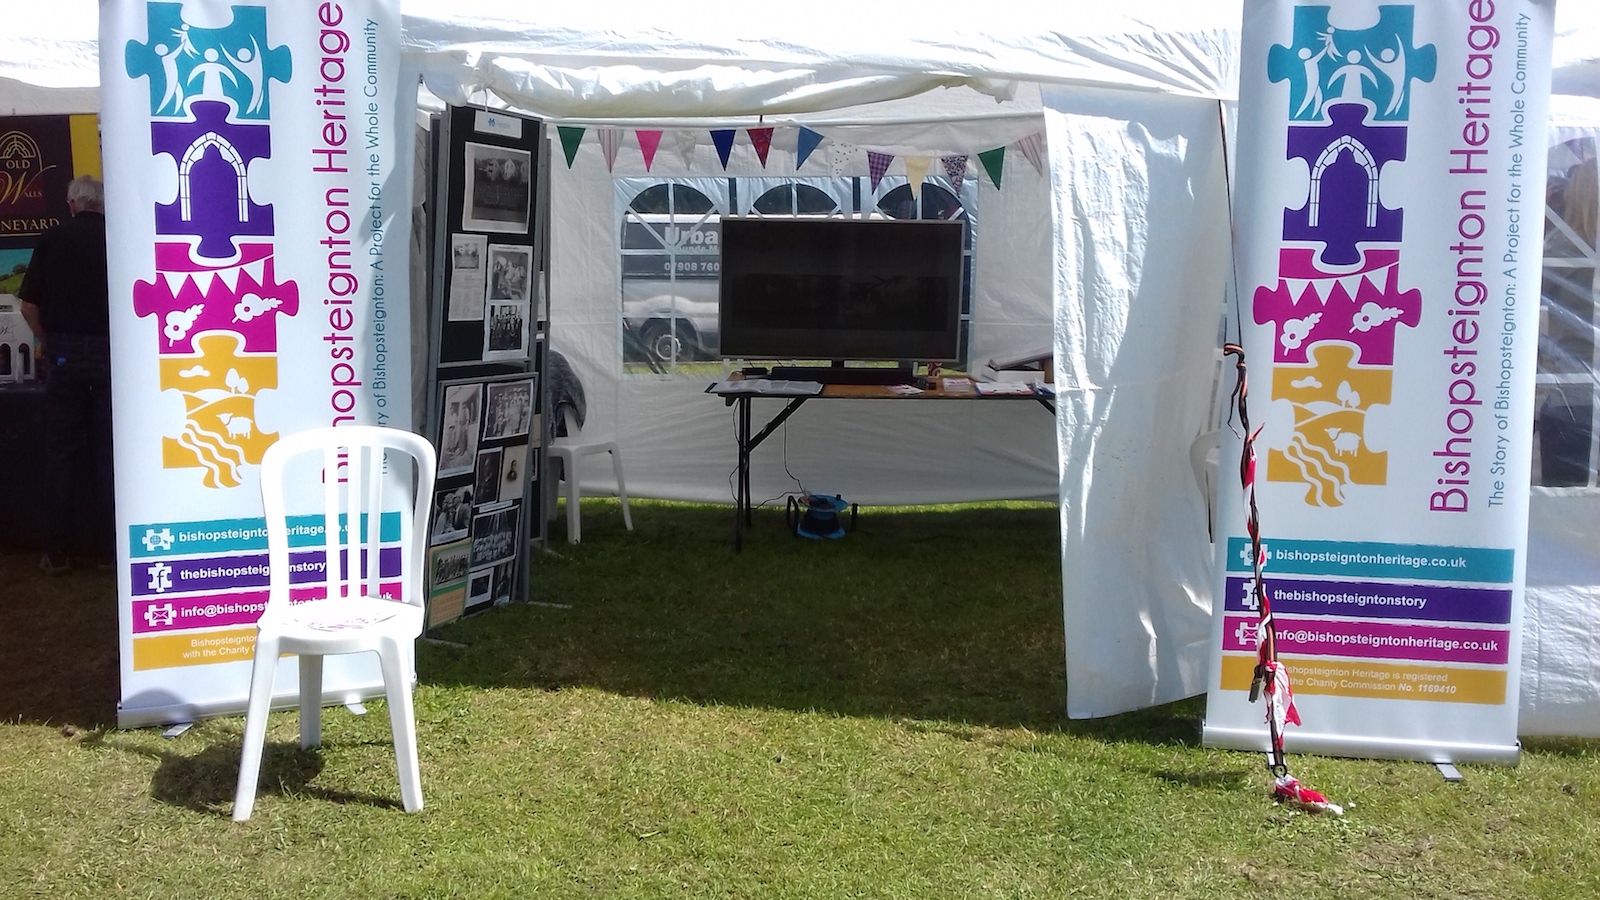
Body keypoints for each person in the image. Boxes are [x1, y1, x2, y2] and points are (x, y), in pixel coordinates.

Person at [18, 174, 112, 575]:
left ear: (72, 204)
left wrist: (47, 342)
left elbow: (28, 306)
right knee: (110, 454)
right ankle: (113, 553)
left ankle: (57, 552)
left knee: (62, 454)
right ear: (100, 205)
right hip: (112, 356)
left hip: (64, 354)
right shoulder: (119, 238)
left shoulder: (51, 239)